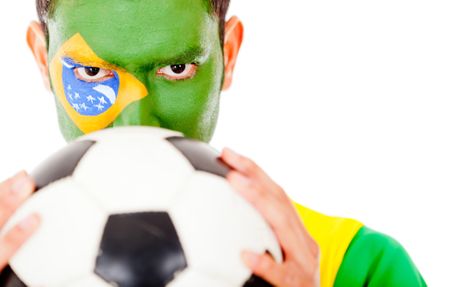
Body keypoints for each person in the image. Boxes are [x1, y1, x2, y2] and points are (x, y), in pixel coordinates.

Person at [0, 0, 426, 286]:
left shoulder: (359, 266)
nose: (135, 121)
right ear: (42, 58)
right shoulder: (12, 264)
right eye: (91, 74)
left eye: (178, 67)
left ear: (229, 54)